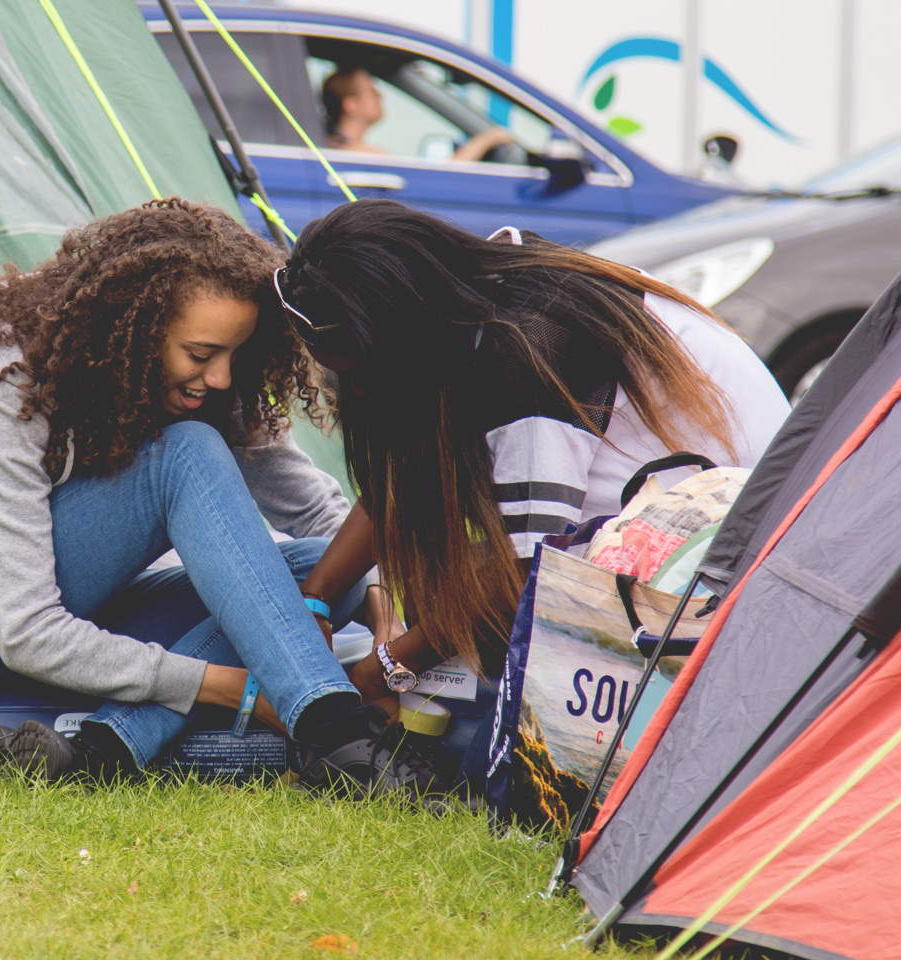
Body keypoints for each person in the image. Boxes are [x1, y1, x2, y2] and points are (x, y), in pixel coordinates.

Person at [0, 199, 439, 796]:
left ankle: (107, 750)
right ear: (133, 331)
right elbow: (25, 631)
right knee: (184, 455)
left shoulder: (208, 380)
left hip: (69, 601)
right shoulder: (10, 383)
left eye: (235, 355)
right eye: (202, 355)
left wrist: (386, 607)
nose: (223, 378)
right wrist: (228, 686)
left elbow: (319, 516)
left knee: (324, 568)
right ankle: (336, 736)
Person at [274, 199, 790, 742]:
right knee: (437, 583)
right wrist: (316, 599)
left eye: (361, 374)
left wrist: (381, 670)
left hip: (716, 579)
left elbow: (521, 578)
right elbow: (402, 486)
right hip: (687, 537)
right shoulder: (484, 287)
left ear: (398, 336)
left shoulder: (527, 351)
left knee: (473, 709)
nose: (358, 393)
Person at [321, 66, 514, 162]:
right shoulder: (357, 153)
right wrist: (487, 139)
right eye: (372, 91)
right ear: (351, 105)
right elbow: (440, 179)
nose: (381, 95)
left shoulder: (335, 146)